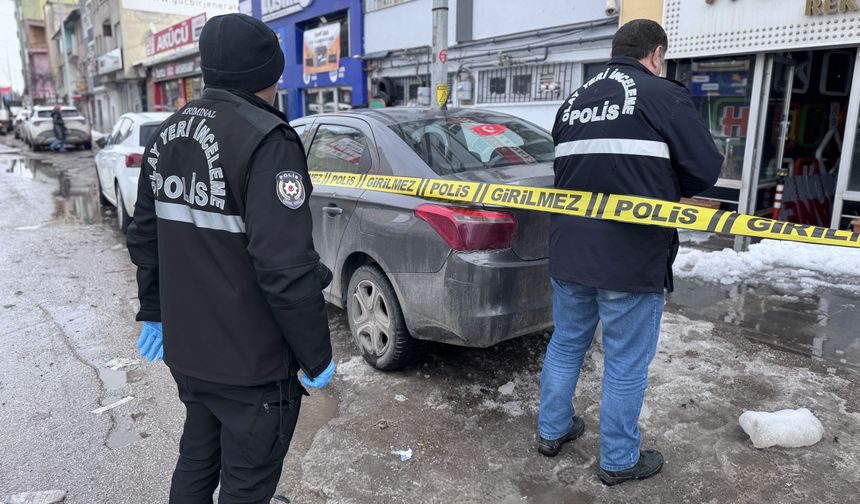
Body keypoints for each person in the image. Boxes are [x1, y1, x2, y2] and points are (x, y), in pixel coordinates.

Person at [127, 14, 335, 503]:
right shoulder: (268, 140)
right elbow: (285, 268)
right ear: (271, 73)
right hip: (251, 365)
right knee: (246, 482)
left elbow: (144, 236)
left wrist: (155, 310)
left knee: (197, 461)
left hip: (189, 351)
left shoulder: (167, 133)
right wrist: (316, 353)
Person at [537, 19, 724, 486]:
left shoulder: (575, 100)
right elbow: (704, 171)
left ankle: (551, 430)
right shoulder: (664, 96)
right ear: (656, 54)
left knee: (565, 345)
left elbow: (570, 167)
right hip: (631, 258)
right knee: (624, 361)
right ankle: (619, 459)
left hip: (570, 251)